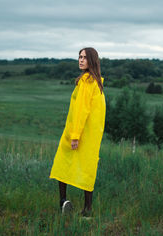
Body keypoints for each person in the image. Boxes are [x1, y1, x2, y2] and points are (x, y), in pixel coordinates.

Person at [49, 47, 106, 216]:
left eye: (84, 58)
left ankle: (63, 202)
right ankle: (86, 210)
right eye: (79, 57)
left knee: (62, 163)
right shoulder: (96, 82)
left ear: (92, 61)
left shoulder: (87, 82)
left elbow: (82, 110)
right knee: (87, 169)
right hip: (91, 135)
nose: (81, 60)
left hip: (80, 133)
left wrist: (75, 136)